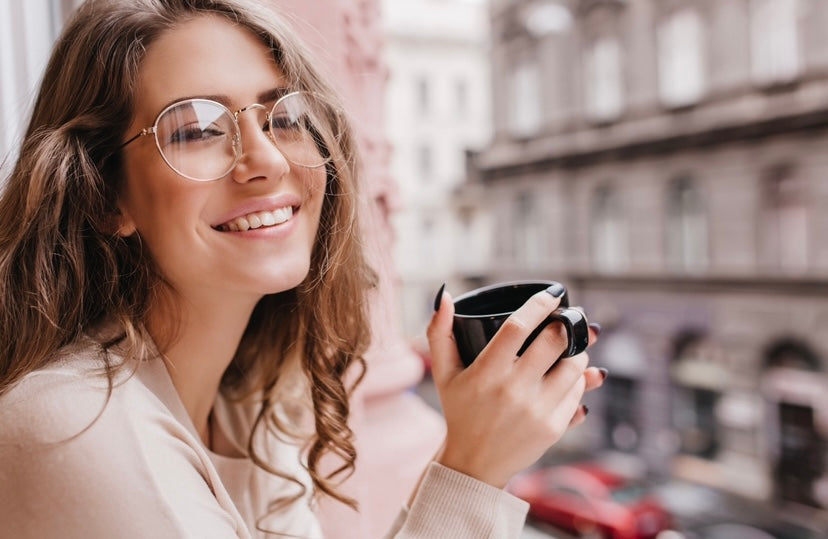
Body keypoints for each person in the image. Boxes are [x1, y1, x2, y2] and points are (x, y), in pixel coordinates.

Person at [0, 0, 606, 537]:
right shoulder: (74, 428)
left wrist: (478, 455)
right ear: (105, 194)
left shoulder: (254, 401)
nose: (264, 160)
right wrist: (473, 470)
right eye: (197, 130)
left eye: (283, 118)